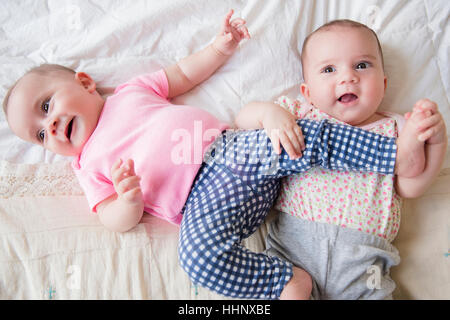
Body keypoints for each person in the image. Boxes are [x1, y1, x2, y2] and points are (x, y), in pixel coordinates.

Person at [2, 11, 428, 300]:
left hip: (228, 153)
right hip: (198, 209)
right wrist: (128, 201)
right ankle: (285, 284)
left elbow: (184, 73)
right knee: (197, 260)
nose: (51, 127)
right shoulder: (86, 166)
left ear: (84, 82)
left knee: (296, 137)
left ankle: (392, 153)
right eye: (40, 135)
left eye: (47, 106)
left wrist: (221, 47)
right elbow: (110, 217)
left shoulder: (130, 91)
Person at [235, 19, 447, 299]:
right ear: (307, 92)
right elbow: (242, 120)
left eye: (361, 65)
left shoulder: (395, 130)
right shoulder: (299, 116)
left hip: (364, 263)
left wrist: (436, 141)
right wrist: (268, 115)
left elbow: (410, 186)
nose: (348, 77)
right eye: (329, 69)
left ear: (383, 84)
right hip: (294, 255)